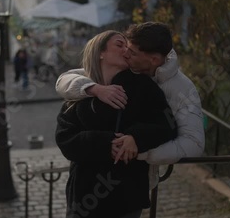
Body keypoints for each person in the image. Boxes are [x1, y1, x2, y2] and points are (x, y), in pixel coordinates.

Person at [55, 22, 205, 188]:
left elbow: (193, 142)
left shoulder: (181, 88)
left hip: (130, 187)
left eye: (131, 51)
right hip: (84, 190)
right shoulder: (115, 74)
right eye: (122, 46)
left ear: (153, 59)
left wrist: (137, 147)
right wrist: (93, 88)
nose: (126, 53)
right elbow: (67, 79)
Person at [56, 30, 177, 218]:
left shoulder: (143, 87)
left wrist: (136, 138)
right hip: (84, 198)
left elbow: (167, 124)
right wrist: (106, 143)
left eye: (127, 47)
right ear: (100, 53)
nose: (126, 51)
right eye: (119, 45)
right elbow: (65, 139)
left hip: (126, 196)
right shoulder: (80, 91)